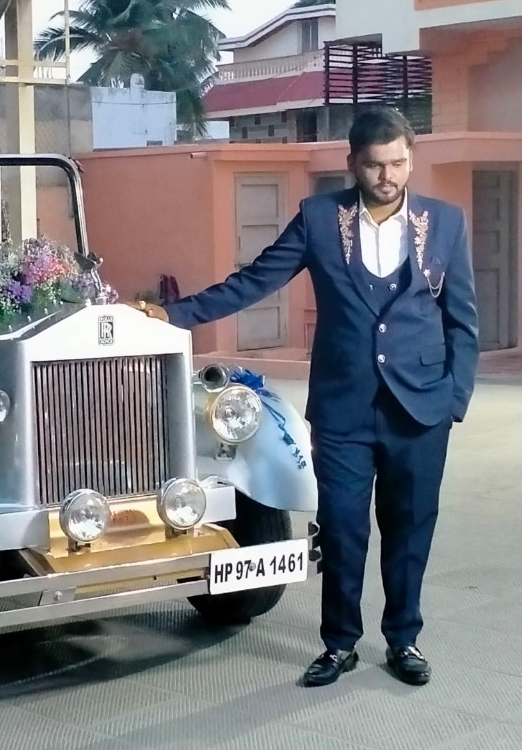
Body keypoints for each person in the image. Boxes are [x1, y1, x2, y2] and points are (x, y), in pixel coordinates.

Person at [134, 107, 479, 687]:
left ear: (410, 160)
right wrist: (173, 315)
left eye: (397, 163)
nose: (388, 175)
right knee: (342, 528)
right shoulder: (320, 219)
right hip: (344, 409)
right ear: (353, 164)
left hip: (421, 410)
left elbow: (462, 320)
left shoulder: (445, 223)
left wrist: (454, 399)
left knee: (410, 525)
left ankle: (404, 639)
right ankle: (339, 643)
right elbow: (254, 281)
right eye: (375, 165)